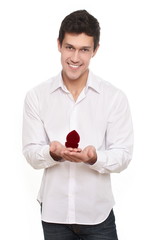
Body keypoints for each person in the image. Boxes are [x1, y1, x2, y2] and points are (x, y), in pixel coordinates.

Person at [22, 9, 133, 240]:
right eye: (70, 47)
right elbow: (31, 152)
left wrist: (94, 158)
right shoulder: (37, 96)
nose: (75, 58)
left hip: (98, 216)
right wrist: (52, 153)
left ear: (96, 50)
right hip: (54, 216)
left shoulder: (114, 97)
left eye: (84, 49)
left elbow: (123, 155)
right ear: (59, 45)